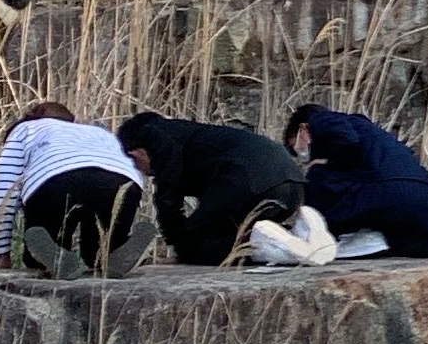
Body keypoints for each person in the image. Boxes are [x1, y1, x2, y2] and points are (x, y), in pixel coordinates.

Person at [118, 111, 306, 267]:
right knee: (226, 234)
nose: (141, 172)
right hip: (293, 185)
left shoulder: (155, 135)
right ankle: (297, 239)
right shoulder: (189, 135)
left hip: (252, 182)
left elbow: (168, 194)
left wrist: (180, 246)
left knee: (197, 243)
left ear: (134, 154)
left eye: (134, 164)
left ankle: (271, 250)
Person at [0, 102, 151, 279]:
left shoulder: (25, 129)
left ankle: (54, 261)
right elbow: (131, 161)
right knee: (99, 249)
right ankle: (111, 252)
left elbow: (5, 191)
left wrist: (1, 253)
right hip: (121, 181)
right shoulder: (97, 131)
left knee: (42, 247)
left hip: (56, 179)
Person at [285, 104, 428, 259]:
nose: (301, 154)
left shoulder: (321, 120)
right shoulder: (369, 131)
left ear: (303, 128)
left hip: (386, 193)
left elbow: (348, 139)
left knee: (316, 175)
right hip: (421, 200)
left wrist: (326, 163)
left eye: (296, 145)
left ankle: (319, 235)